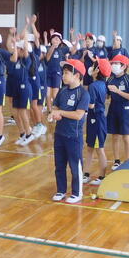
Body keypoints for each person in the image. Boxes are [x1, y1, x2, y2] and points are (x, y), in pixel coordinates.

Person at [49, 58, 90, 204]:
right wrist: (54, 113)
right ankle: (61, 190)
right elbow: (55, 107)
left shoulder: (83, 94)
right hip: (59, 134)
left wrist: (60, 112)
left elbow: (78, 115)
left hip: (73, 136)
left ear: (77, 75)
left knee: (75, 165)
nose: (63, 75)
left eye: (66, 73)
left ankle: (77, 193)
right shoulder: (62, 91)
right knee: (59, 165)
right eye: (63, 72)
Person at [107, 54, 129, 171]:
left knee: (125, 136)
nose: (113, 65)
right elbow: (106, 95)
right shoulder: (110, 79)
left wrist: (118, 91)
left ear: (123, 66)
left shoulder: (128, 78)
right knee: (115, 136)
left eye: (116, 63)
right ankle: (116, 160)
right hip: (113, 108)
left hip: (125, 109)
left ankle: (128, 160)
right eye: (112, 63)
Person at [6, 27, 35, 146]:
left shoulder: (26, 60)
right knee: (16, 113)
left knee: (22, 112)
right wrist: (11, 35)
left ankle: (29, 133)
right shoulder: (14, 60)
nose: (16, 50)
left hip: (24, 88)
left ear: (23, 50)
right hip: (15, 88)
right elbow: (10, 47)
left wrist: (26, 35)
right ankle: (22, 133)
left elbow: (26, 49)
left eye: (18, 48)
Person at [84, 58, 110, 186]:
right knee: (90, 148)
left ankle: (102, 176)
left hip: (97, 120)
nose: (91, 68)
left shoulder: (94, 86)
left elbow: (91, 105)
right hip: (95, 119)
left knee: (99, 149)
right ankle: (86, 174)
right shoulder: (102, 84)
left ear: (97, 70)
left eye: (93, 66)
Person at [45, 31, 70, 115]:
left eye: (57, 39)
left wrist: (76, 39)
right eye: (54, 38)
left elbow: (73, 49)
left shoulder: (62, 49)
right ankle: (49, 111)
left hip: (57, 74)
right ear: (51, 40)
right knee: (47, 94)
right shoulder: (48, 48)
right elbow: (47, 58)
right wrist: (53, 46)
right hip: (48, 73)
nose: (56, 40)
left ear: (60, 41)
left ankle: (55, 111)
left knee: (55, 94)